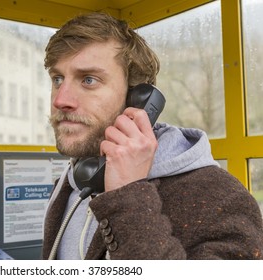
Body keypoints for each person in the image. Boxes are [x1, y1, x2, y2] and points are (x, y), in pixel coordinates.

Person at [42, 12, 263, 260]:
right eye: (58, 79)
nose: (61, 100)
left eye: (89, 80)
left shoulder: (221, 197)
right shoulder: (73, 182)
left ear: (137, 99)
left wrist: (129, 197)